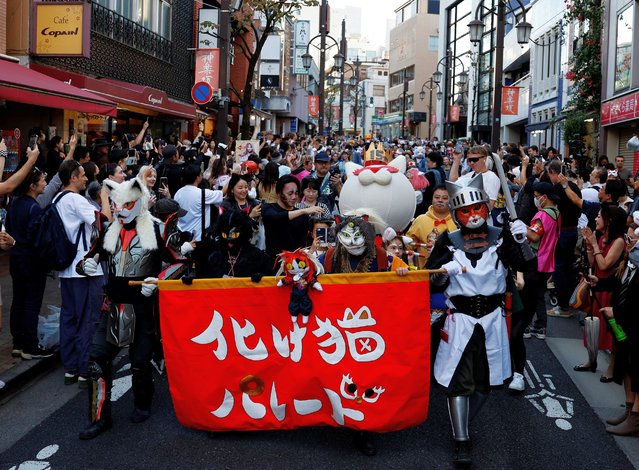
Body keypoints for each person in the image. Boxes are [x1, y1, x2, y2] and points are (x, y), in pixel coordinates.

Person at [426, 175, 525, 464]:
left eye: (477, 209)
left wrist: (522, 240)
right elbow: (432, 282)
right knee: (459, 380)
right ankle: (462, 440)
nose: (472, 216)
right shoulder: (447, 240)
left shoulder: (501, 236)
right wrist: (444, 272)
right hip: (460, 321)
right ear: (457, 215)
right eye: (465, 211)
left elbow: (523, 264)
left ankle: (463, 424)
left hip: (492, 320)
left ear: (486, 208)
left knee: (486, 383)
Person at [76, 177, 167, 439]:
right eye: (116, 204)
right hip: (114, 307)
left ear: (139, 202)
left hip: (143, 309)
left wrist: (159, 281)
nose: (120, 209)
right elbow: (90, 257)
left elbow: (181, 262)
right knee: (96, 359)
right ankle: (99, 417)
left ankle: (143, 400)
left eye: (127, 203)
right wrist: (86, 266)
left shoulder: (158, 230)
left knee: (139, 361)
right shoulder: (108, 230)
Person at [320, 215, 408, 456]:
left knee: (367, 378)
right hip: (337, 328)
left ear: (368, 237)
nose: (352, 241)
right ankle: (335, 417)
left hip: (372, 329)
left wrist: (403, 273)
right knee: (337, 374)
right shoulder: (329, 256)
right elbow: (308, 271)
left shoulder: (384, 258)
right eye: (346, 236)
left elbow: (409, 276)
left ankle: (364, 429)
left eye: (357, 236)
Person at [56, 160, 106, 388]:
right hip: (85, 269)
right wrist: (104, 196)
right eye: (83, 175)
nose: (87, 179)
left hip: (66, 270)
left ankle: (70, 368)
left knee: (68, 319)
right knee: (88, 320)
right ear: (73, 177)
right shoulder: (77, 200)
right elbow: (103, 221)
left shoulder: (57, 199)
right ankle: (86, 370)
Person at [509, 182, 561, 391]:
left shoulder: (543, 215)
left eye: (538, 195)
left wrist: (522, 229)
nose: (535, 198)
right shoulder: (557, 213)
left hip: (534, 266)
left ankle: (517, 372)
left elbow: (534, 236)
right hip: (544, 266)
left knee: (518, 323)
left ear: (545, 196)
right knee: (531, 306)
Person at [6, 166, 55, 359]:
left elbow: (8, 232)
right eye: (43, 180)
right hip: (32, 262)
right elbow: (37, 240)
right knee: (31, 303)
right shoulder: (34, 208)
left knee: (18, 300)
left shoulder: (15, 204)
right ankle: (30, 345)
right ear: (33, 186)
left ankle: (17, 343)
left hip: (16, 260)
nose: (45, 183)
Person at [574, 204, 626, 380]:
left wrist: (594, 244)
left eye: (599, 216)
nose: (595, 219)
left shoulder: (618, 241)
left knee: (609, 330)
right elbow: (593, 263)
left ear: (609, 220)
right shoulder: (601, 236)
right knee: (592, 325)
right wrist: (590, 245)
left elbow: (604, 265)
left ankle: (611, 368)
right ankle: (591, 360)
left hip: (610, 290)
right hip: (597, 285)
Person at [600, 219, 639, 436]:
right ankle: (629, 409)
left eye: (632, 239)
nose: (628, 243)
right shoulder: (630, 263)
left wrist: (618, 313)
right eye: (627, 238)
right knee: (626, 368)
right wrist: (598, 282)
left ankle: (636, 418)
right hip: (626, 325)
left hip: (634, 326)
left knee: (637, 370)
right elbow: (617, 283)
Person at [262, 175, 324, 262]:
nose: (294, 197)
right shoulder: (268, 208)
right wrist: (304, 211)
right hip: (274, 264)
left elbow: (302, 244)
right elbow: (276, 217)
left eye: (296, 193)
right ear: (279, 193)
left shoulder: (302, 216)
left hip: (297, 265)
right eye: (290, 193)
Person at [204, 211, 271, 278]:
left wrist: (260, 277)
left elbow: (269, 278)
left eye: (235, 235)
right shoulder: (215, 257)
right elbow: (204, 281)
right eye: (225, 235)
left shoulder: (257, 257)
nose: (229, 241)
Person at [406, 184, 458, 269]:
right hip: (425, 271)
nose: (440, 200)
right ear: (432, 199)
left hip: (453, 272)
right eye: (437, 197)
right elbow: (408, 245)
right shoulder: (420, 220)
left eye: (444, 198)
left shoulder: (457, 220)